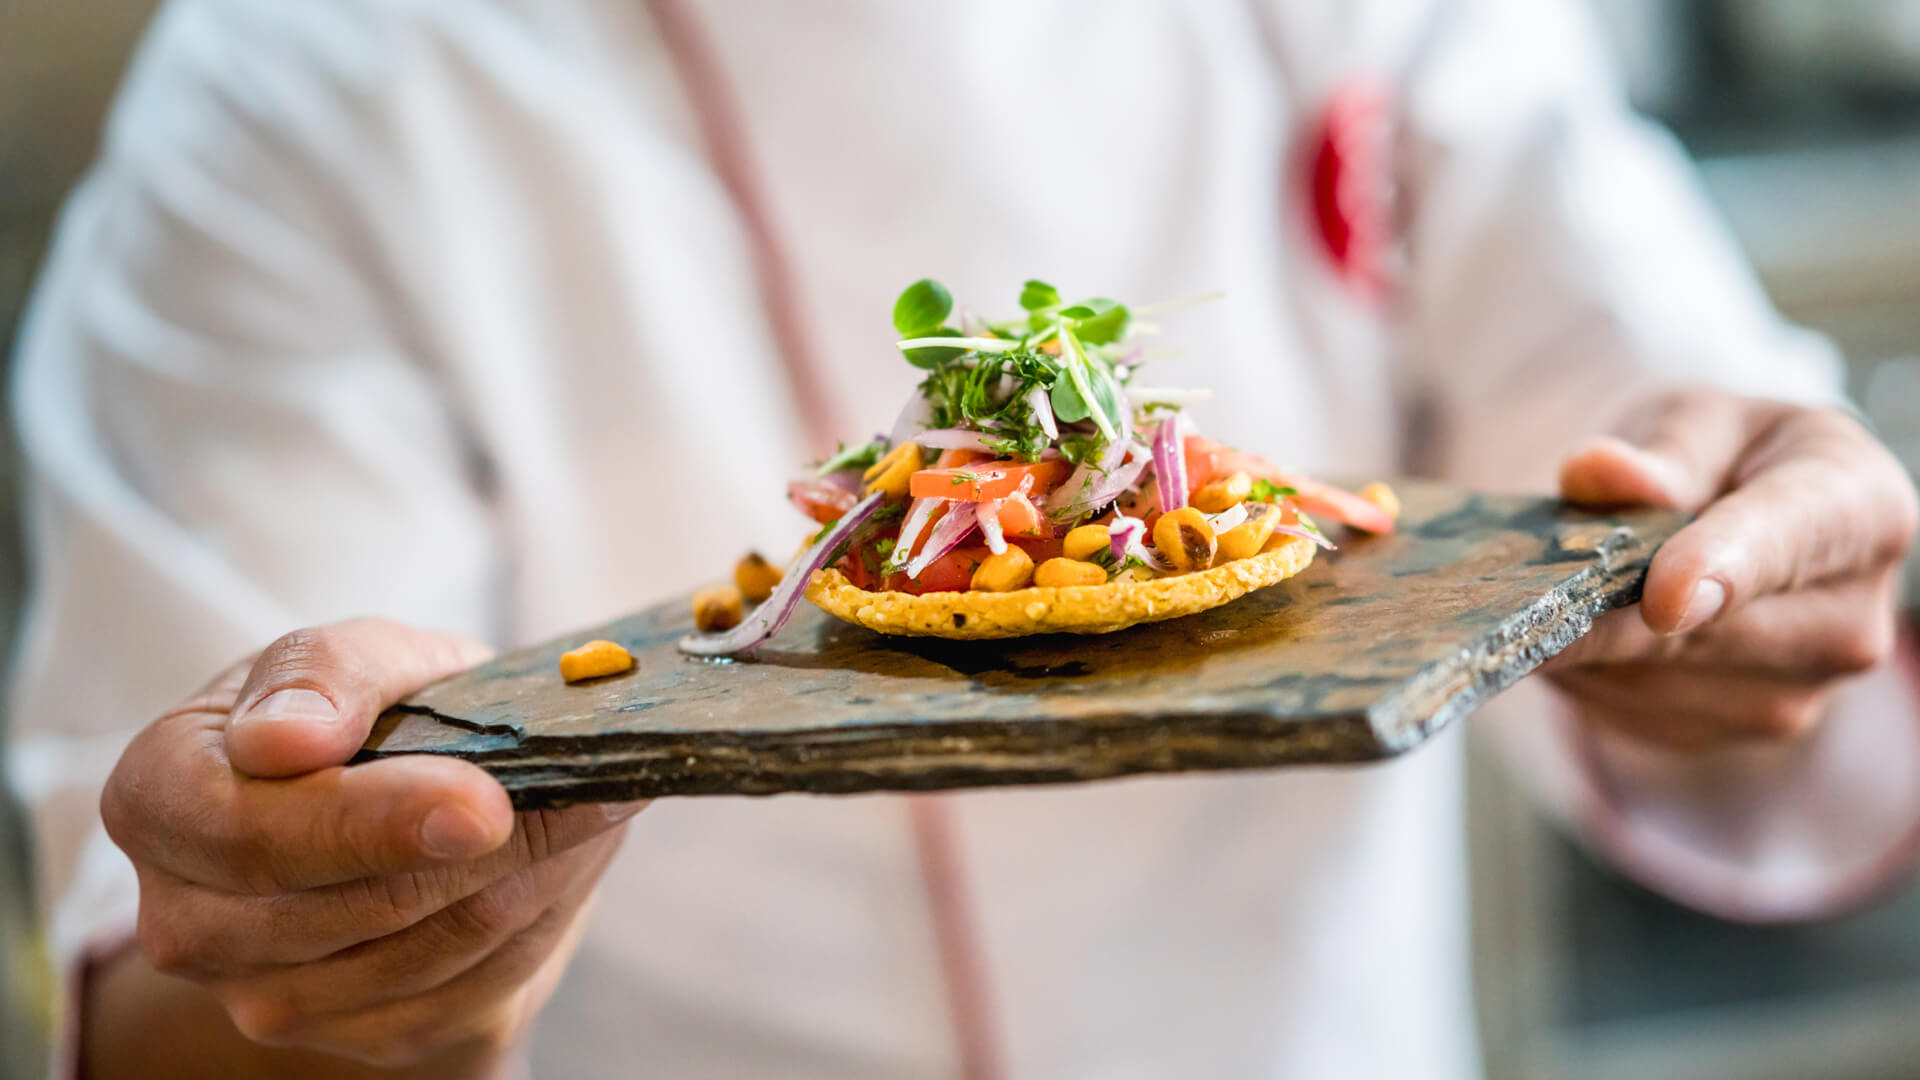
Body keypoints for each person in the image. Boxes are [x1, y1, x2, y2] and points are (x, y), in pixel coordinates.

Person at [9, 0, 1918, 1076]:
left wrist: (1751, 567)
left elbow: (1692, 460)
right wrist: (349, 960)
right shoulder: (295, 95)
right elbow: (181, 987)